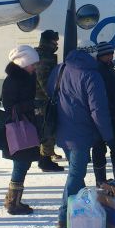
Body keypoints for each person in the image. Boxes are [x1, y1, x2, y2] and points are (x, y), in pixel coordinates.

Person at [48, 39, 113, 228]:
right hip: (81, 133)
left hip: (62, 130)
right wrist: (107, 135)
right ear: (92, 54)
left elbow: (51, 93)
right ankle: (63, 215)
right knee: (76, 174)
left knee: (76, 172)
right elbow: (98, 109)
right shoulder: (92, 75)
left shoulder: (59, 69)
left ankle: (82, 209)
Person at [1, 45, 41, 215]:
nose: (35, 67)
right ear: (24, 63)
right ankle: (12, 202)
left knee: (23, 164)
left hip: (26, 125)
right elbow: (10, 106)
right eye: (32, 64)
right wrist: (32, 105)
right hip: (19, 128)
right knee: (20, 164)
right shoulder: (13, 80)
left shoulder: (26, 78)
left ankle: (14, 200)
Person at [91, 41, 115, 186]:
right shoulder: (99, 71)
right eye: (107, 54)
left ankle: (107, 181)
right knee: (112, 148)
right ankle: (108, 181)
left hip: (111, 114)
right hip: (105, 116)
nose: (110, 56)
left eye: (111, 53)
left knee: (107, 148)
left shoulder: (109, 69)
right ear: (100, 56)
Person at [35, 30, 64, 172]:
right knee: (48, 129)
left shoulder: (43, 55)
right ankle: (45, 160)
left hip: (43, 100)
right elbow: (44, 81)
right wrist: (53, 96)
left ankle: (46, 156)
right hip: (43, 100)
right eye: (54, 42)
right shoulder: (43, 58)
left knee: (47, 129)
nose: (56, 44)